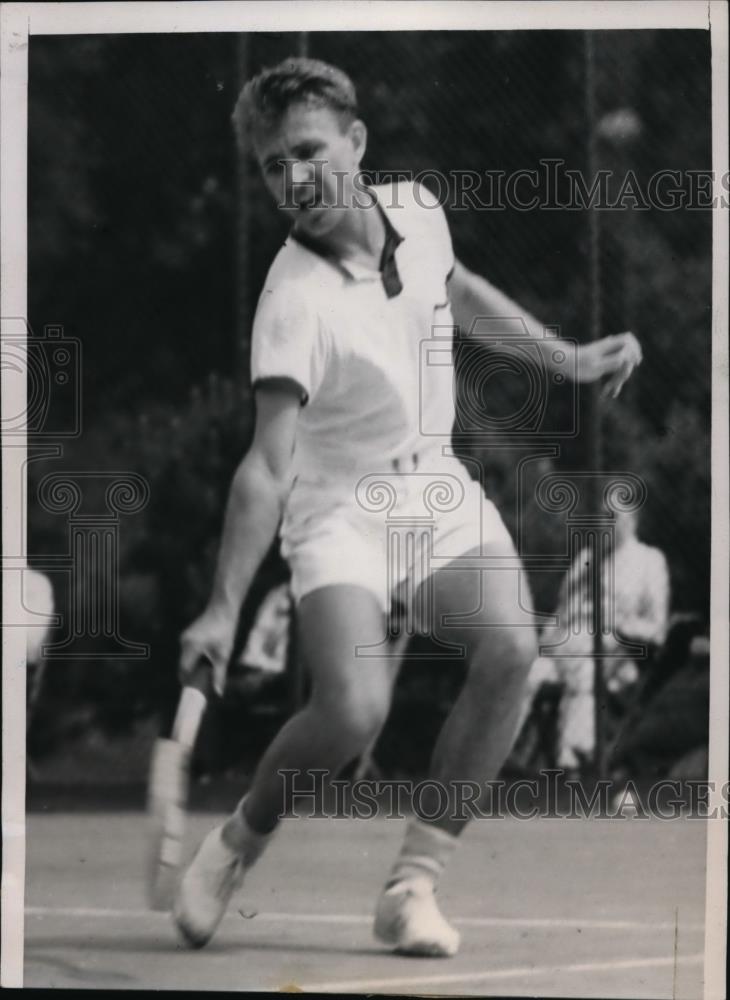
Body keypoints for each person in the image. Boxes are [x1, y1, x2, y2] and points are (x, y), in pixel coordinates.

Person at [173, 57, 642, 955]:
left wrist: (571, 359)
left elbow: (454, 290)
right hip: (339, 508)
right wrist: (223, 606)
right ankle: (236, 842)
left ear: (355, 142)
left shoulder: (417, 210)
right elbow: (266, 468)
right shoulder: (291, 304)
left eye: (308, 151)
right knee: (352, 711)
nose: (295, 178)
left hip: (431, 484)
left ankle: (411, 885)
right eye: (274, 165)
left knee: (510, 647)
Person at [518, 508, 670, 770]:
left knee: (586, 675)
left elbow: (656, 628)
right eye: (602, 514)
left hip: (613, 653)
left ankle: (573, 760)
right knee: (522, 676)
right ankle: (499, 755)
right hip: (564, 648)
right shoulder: (587, 559)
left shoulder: (648, 560)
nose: (605, 522)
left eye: (613, 515)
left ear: (633, 519)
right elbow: (561, 613)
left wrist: (615, 625)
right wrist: (543, 643)